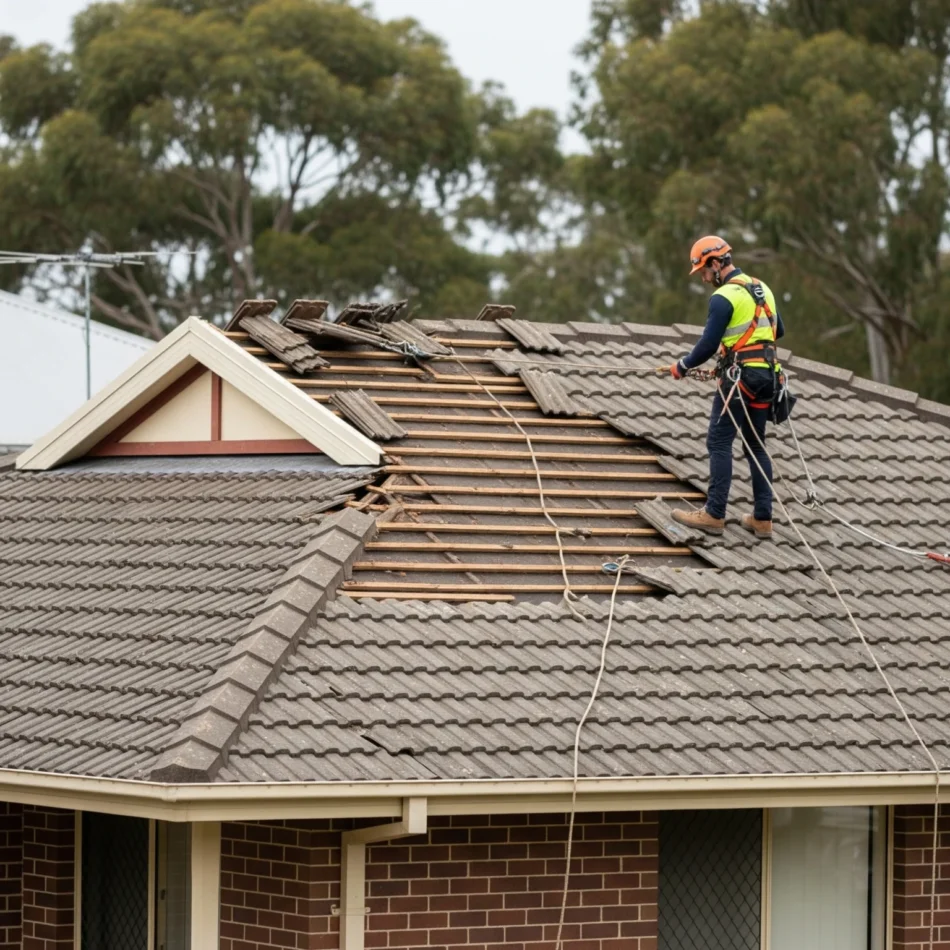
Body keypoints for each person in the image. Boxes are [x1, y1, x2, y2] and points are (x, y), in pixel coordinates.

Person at [668, 235, 785, 540]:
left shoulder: (724, 297)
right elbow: (778, 330)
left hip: (739, 379)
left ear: (717, 263)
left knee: (718, 441)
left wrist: (682, 365)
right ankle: (762, 519)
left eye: (705, 272)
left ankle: (714, 513)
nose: (705, 278)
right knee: (755, 444)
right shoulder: (763, 289)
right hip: (767, 377)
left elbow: (707, 344)